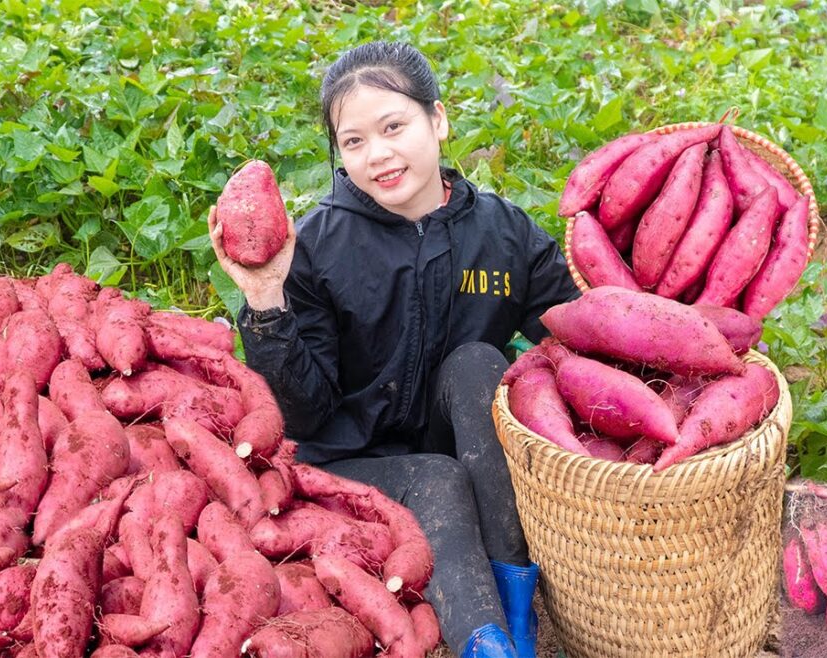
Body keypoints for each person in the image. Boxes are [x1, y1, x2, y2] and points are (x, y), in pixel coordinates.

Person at [208, 41, 579, 658]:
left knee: (479, 365)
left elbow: (577, 337)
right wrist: (265, 298)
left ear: (438, 120)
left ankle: (520, 614)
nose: (378, 155)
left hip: (452, 439)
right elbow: (303, 414)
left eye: (393, 127)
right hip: (345, 459)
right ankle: (488, 646)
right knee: (437, 477)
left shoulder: (504, 233)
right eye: (353, 142)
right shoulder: (318, 246)